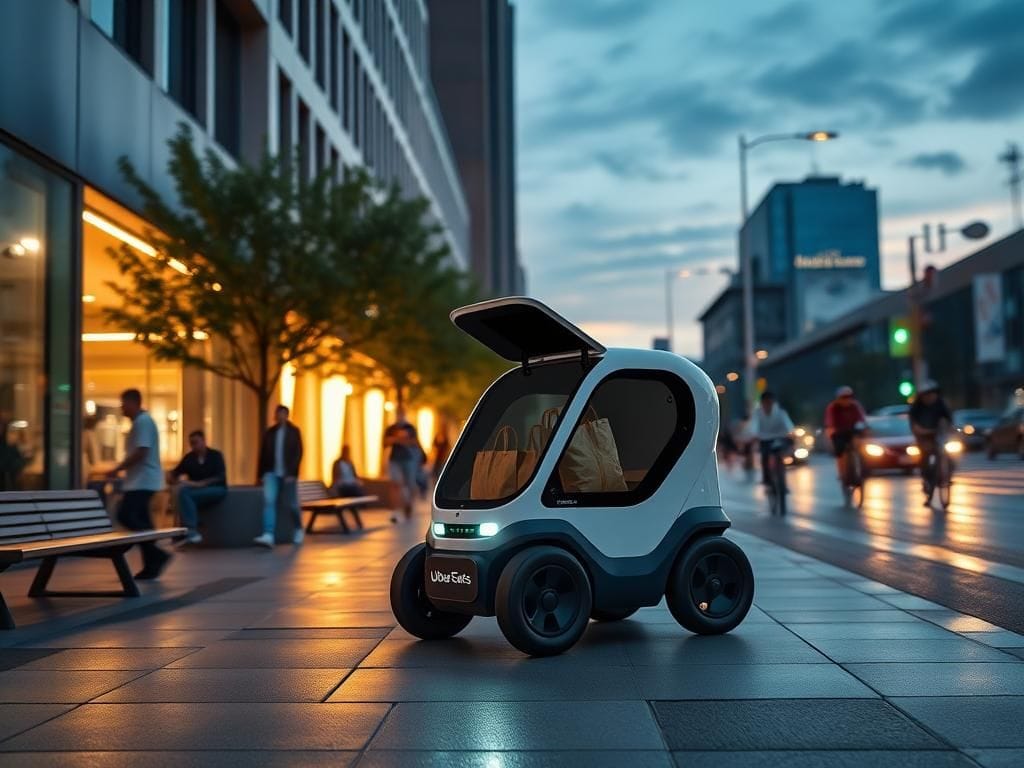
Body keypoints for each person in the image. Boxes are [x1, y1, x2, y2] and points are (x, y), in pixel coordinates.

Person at [107, 389, 172, 579]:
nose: (122, 408)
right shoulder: (141, 422)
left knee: (125, 514)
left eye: (124, 403)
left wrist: (118, 468)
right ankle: (152, 564)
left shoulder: (143, 422)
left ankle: (157, 555)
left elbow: (142, 451)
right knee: (143, 521)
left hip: (142, 481)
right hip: (141, 481)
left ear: (134, 403)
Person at [254, 405, 304, 548]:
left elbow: (298, 453)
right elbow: (263, 454)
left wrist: (293, 473)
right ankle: (268, 534)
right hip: (271, 473)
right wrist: (260, 475)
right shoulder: (270, 433)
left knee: (291, 504)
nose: (280, 416)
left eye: (283, 413)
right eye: (278, 413)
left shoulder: (294, 432)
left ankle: (298, 528)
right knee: (269, 501)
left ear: (287, 415)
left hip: (288, 475)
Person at [167, 430, 227, 545]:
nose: (193, 446)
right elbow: (175, 472)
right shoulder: (189, 458)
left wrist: (201, 484)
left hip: (216, 489)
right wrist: (171, 477)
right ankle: (189, 532)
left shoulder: (215, 455)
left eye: (196, 442)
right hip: (196, 492)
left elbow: (220, 477)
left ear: (204, 441)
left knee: (185, 494)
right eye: (191, 443)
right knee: (183, 492)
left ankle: (190, 531)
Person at [909, 379, 953, 496]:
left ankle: (947, 474)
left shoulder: (941, 404)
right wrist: (919, 430)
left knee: (948, 453)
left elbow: (949, 420)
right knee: (925, 456)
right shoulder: (917, 407)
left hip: (938, 433)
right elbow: (913, 423)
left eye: (933, 394)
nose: (930, 397)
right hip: (923, 434)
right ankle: (927, 479)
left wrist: (953, 430)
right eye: (926, 395)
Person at [746, 392, 795, 488]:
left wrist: (790, 433)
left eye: (770, 402)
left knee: (781, 456)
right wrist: (754, 435)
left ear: (773, 402)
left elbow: (788, 425)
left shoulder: (780, 412)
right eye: (765, 402)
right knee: (764, 457)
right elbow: (754, 426)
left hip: (780, 437)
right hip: (764, 438)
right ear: (762, 403)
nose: (767, 405)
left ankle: (782, 481)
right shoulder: (757, 413)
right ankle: (766, 479)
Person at [825, 385, 868, 486]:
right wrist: (832, 431)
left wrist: (864, 427)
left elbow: (862, 418)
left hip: (852, 430)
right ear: (838, 398)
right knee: (840, 451)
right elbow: (830, 422)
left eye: (849, 397)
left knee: (860, 445)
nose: (847, 400)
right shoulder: (833, 407)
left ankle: (861, 468)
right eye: (844, 397)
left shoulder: (855, 406)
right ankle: (842, 473)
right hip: (839, 431)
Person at [384, 408, 420, 521]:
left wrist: (399, 440)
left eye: (401, 414)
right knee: (395, 485)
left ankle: (409, 505)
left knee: (410, 484)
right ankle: (395, 511)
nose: (399, 416)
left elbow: (415, 442)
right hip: (394, 459)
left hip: (409, 459)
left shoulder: (410, 428)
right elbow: (385, 442)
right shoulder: (391, 428)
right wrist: (399, 438)